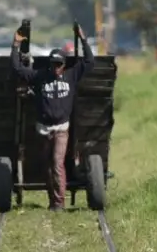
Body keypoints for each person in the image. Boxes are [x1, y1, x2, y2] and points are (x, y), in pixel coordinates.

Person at [11, 22, 95, 212]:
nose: (56, 68)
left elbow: (89, 62)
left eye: (59, 64)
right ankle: (52, 200)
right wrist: (15, 45)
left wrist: (83, 39)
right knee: (47, 166)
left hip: (61, 129)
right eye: (53, 64)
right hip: (43, 129)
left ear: (64, 66)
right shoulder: (40, 77)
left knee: (57, 163)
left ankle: (59, 203)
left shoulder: (71, 76)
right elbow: (17, 69)